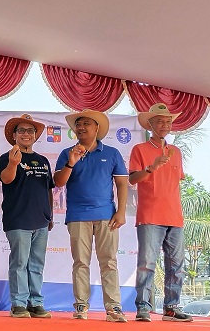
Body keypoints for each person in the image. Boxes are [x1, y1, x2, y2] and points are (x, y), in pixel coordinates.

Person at [53, 110, 128, 322]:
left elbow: (122, 184)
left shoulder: (112, 153)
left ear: (97, 128)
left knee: (109, 262)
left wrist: (121, 212)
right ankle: (81, 306)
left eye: (86, 123)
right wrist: (71, 162)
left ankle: (113, 308)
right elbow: (59, 182)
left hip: (107, 216)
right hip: (77, 216)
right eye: (78, 124)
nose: (81, 127)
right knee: (80, 263)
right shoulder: (66, 153)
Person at [128, 103, 193, 322]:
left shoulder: (176, 152)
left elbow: (176, 184)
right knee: (147, 264)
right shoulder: (140, 149)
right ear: (150, 124)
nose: (164, 125)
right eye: (159, 121)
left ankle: (171, 308)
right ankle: (143, 308)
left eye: (168, 121)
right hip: (150, 216)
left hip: (175, 217)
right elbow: (132, 179)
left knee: (176, 265)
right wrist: (151, 168)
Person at [0, 114, 54, 318]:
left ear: (35, 135)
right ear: (14, 135)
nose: (26, 134)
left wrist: (50, 215)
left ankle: (36, 302)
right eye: (21, 130)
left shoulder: (42, 160)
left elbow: (48, 188)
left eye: (30, 131)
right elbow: (6, 179)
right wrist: (13, 163)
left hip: (41, 220)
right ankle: (18, 304)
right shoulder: (7, 157)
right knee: (19, 263)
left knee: (36, 264)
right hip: (18, 220)